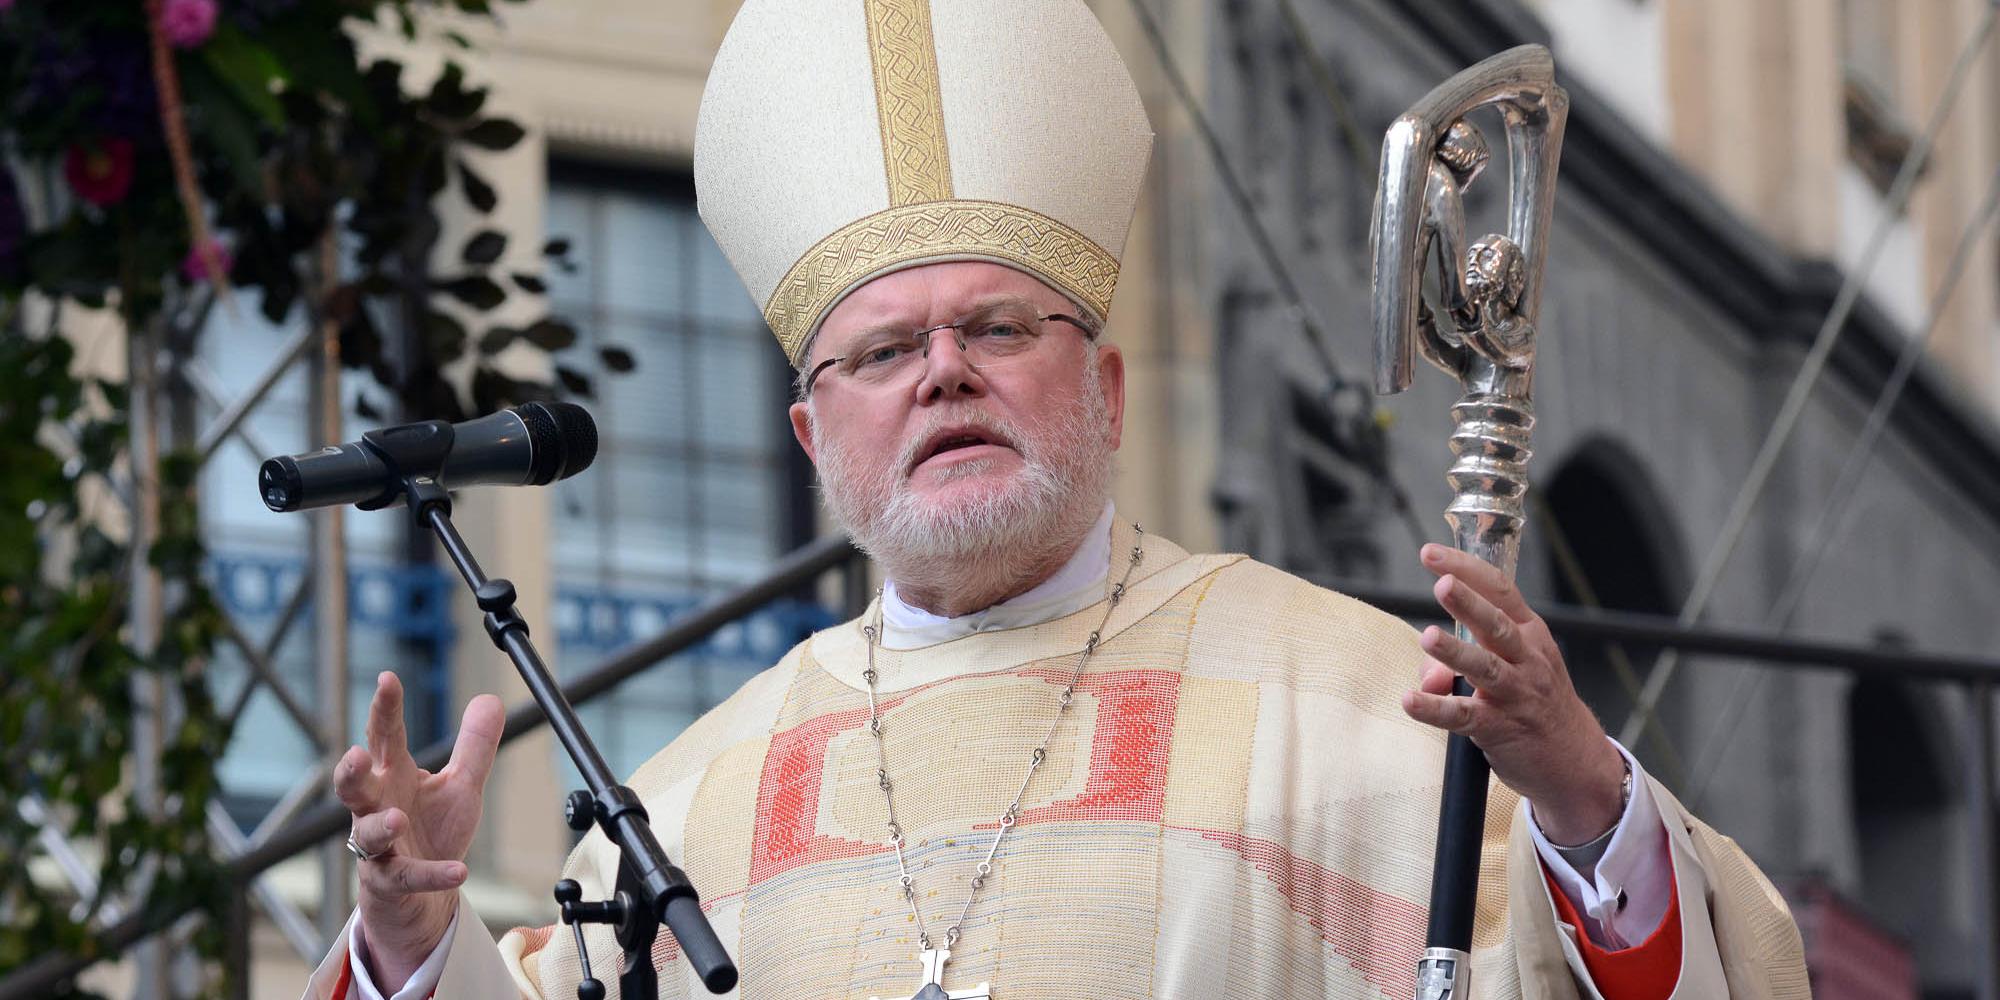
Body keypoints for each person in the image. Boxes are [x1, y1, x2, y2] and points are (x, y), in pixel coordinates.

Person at [305, 0, 1808, 996]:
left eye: (999, 327)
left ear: (1108, 390)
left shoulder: (1365, 704)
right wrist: (413, 939)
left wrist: (1580, 792)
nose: (943, 374)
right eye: (882, 352)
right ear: (814, 435)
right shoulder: (691, 805)